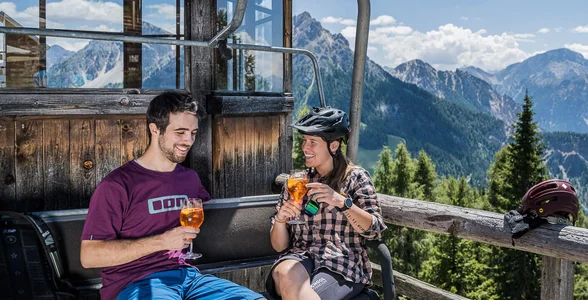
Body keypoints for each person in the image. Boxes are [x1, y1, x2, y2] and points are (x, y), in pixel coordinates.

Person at [80, 91, 264, 300]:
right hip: (135, 282)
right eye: (180, 132)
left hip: (188, 278)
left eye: (193, 133)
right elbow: (89, 256)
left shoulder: (190, 179)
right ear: (155, 129)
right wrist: (162, 242)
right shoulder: (117, 185)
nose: (188, 140)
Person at [266, 106, 387, 300]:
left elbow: (375, 230)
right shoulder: (298, 181)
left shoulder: (356, 178)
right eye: (305, 141)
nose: (305, 148)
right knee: (283, 272)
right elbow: (279, 247)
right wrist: (280, 221)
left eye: (313, 142)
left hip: (341, 263)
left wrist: (342, 202)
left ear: (334, 145)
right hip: (301, 256)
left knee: (296, 292)